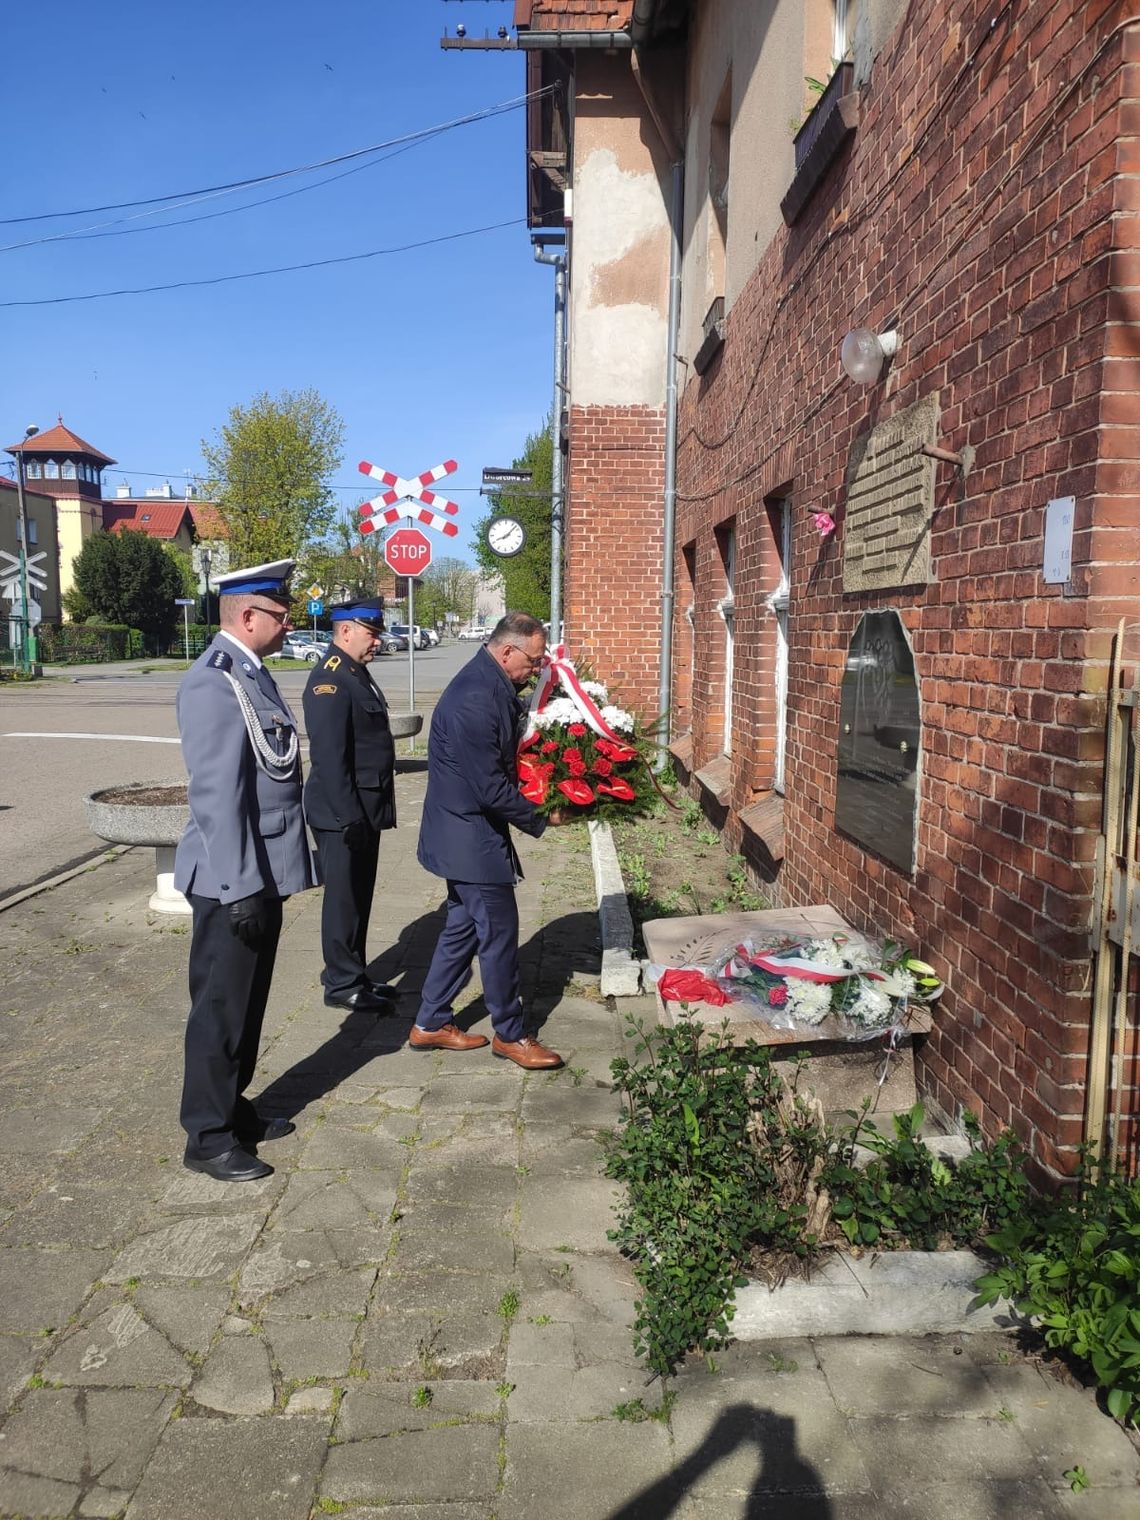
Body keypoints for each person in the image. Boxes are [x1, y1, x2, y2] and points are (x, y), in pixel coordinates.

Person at [173, 559, 316, 1183]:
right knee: (221, 1008)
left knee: (250, 1003)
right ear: (248, 616)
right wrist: (238, 888)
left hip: (262, 872)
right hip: (231, 878)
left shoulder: (253, 674)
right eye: (280, 616)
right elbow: (216, 796)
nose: (289, 626)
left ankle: (233, 1108)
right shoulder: (214, 681)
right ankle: (206, 1137)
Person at [411, 611, 563, 1069]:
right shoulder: (475, 699)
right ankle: (510, 1034)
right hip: (469, 838)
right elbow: (491, 787)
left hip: (465, 832)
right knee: (498, 935)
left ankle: (431, 1020)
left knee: (461, 930)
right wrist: (543, 816)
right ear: (507, 650)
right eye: (533, 662)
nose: (536, 670)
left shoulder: (491, 681)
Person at [302, 598, 399, 1013]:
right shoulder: (330, 680)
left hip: (363, 809)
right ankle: (340, 983)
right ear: (345, 631)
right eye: (371, 632)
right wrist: (349, 817)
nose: (377, 640)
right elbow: (329, 759)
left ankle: (354, 973)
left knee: (360, 896)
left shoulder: (356, 674)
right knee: (343, 899)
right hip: (343, 812)